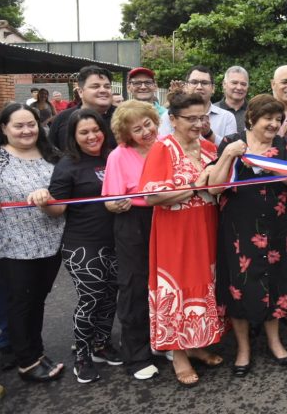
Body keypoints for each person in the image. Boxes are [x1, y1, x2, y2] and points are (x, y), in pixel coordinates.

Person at [206, 94, 287, 376]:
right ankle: (243, 348)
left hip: (275, 228)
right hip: (239, 230)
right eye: (268, 119)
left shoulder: (284, 145)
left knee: (275, 283)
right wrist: (228, 155)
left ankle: (274, 342)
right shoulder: (231, 142)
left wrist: (267, 163)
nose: (273, 124)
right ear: (251, 119)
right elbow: (214, 188)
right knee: (239, 286)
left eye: (277, 119)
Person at [140, 92, 225, 387]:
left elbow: (217, 186)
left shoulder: (209, 147)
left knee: (202, 282)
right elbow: (151, 196)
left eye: (203, 117)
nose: (199, 123)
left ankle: (197, 343)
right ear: (173, 119)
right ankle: (178, 354)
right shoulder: (162, 148)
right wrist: (194, 185)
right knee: (177, 287)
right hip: (174, 231)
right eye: (191, 119)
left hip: (206, 225)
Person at [45, 109, 120, 384]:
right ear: (74, 137)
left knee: (111, 295)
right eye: (84, 132)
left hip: (114, 241)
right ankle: (82, 354)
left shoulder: (111, 156)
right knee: (91, 299)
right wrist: (46, 201)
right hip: (82, 245)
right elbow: (58, 209)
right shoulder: (67, 165)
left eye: (96, 130)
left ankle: (101, 344)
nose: (92, 136)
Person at [0, 103, 65, 382]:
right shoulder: (0, 159)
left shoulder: (52, 156)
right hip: (13, 245)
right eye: (18, 125)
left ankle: (36, 351)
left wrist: (48, 200)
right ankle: (26, 362)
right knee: (20, 302)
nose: (27, 131)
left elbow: (62, 198)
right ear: (4, 129)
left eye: (31, 125)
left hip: (51, 242)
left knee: (38, 299)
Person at [101, 100, 162, 380]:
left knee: (166, 282)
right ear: (126, 134)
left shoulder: (165, 145)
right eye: (137, 129)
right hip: (134, 222)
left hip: (167, 217)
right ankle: (136, 354)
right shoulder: (118, 155)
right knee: (135, 285)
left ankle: (165, 341)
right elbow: (110, 200)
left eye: (148, 123)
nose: (146, 131)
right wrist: (116, 204)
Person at [158, 65, 237, 146]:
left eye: (205, 83)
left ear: (213, 88)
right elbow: (163, 146)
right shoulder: (170, 116)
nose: (199, 87)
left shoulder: (227, 117)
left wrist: (209, 134)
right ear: (186, 86)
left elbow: (233, 150)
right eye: (194, 82)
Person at [49, 66, 116, 152]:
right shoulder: (63, 118)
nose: (103, 90)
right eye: (95, 86)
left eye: (107, 86)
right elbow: (50, 152)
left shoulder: (125, 118)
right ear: (80, 92)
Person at [214, 66, 250, 132]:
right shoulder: (213, 111)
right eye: (234, 83)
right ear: (224, 84)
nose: (239, 87)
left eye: (243, 84)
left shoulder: (254, 111)